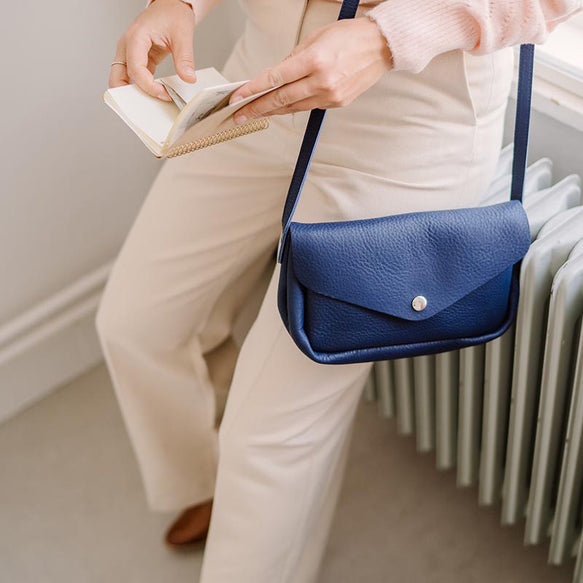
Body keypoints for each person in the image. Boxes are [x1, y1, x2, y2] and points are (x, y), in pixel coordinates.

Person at [96, 0, 582, 580]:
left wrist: (384, 39)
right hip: (259, 77)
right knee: (135, 322)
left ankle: (257, 527)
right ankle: (211, 481)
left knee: (268, 442)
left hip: (409, 116)